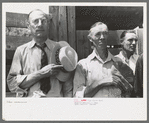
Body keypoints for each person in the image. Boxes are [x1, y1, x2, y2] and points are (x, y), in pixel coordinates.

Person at [7, 9, 73, 97]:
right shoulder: (21, 51)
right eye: (35, 21)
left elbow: (68, 85)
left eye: (43, 21)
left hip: (55, 104)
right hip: (31, 104)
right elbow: (12, 83)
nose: (40, 24)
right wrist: (42, 73)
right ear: (28, 26)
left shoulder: (60, 49)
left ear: (48, 25)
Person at [73, 22, 133, 98]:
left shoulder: (119, 62)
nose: (102, 37)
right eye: (98, 34)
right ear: (90, 38)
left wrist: (123, 83)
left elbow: (130, 91)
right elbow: (77, 96)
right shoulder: (83, 65)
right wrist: (101, 82)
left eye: (105, 33)